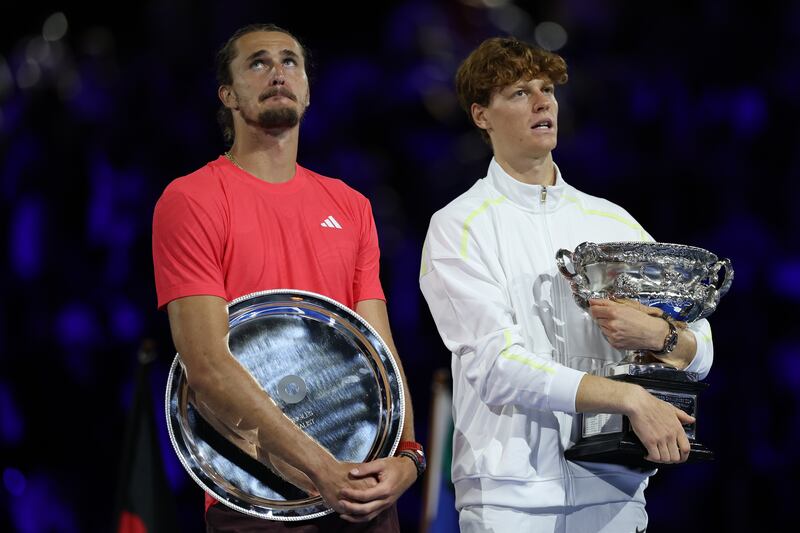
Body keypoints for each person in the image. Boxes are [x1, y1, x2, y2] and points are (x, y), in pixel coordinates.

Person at [419, 37, 714, 532]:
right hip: (511, 502)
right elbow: (497, 367)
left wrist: (661, 338)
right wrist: (628, 399)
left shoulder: (612, 221)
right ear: (481, 115)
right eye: (517, 93)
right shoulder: (459, 225)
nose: (542, 103)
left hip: (616, 493)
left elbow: (700, 351)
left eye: (547, 89)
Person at [152, 23, 423, 532]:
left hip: (360, 485)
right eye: (258, 62)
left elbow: (380, 346)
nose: (278, 72)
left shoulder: (351, 205)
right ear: (228, 95)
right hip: (256, 493)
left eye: (290, 61)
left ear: (307, 92)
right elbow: (207, 363)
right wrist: (321, 470)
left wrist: (408, 454)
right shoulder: (191, 200)